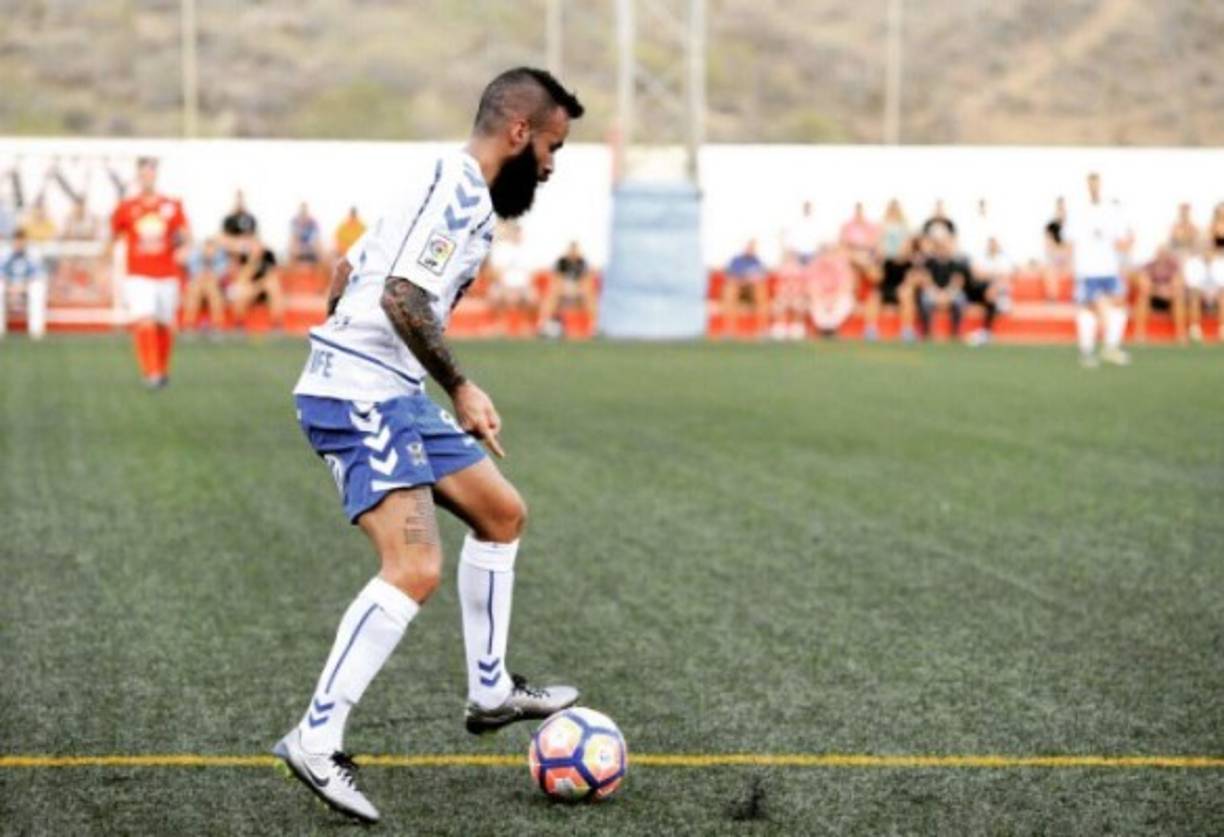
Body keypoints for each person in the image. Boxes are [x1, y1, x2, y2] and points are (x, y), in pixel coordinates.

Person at [277, 67, 584, 824]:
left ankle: (489, 688)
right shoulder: (458, 189)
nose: (549, 165)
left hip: (390, 389)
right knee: (413, 565)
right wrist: (463, 387)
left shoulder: (445, 178)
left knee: (501, 512)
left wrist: (361, 325)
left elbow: (354, 266)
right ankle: (316, 738)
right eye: (550, 147)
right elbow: (401, 295)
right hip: (360, 394)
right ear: (519, 133)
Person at [107, 157, 189, 388]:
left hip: (167, 274)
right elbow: (113, 233)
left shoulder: (171, 205)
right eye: (143, 174)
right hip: (139, 274)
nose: (147, 178)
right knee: (145, 321)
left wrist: (183, 247)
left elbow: (184, 233)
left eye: (151, 173)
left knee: (164, 324)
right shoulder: (127, 207)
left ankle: (162, 371)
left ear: (156, 175)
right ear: (138, 176)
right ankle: (150, 372)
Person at [1063, 172, 1132, 367]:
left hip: (1108, 268)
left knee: (1119, 306)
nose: (1094, 187)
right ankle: (1086, 351)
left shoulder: (1111, 209)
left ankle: (1111, 347)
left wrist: (1124, 260)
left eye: (1096, 183)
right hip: (1087, 269)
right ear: (1086, 185)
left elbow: (1122, 238)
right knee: (1089, 309)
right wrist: (1071, 266)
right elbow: (1069, 241)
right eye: (1090, 183)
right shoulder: (1077, 210)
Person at [864, 199, 917, 342]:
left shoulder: (906, 229)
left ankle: (907, 331)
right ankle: (870, 330)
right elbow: (875, 276)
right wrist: (879, 259)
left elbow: (910, 269)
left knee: (906, 295)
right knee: (873, 298)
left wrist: (902, 255)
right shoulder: (881, 227)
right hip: (886, 275)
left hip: (900, 277)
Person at [913, 227, 972, 339]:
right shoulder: (929, 262)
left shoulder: (956, 263)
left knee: (960, 300)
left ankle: (956, 331)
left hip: (950, 292)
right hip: (933, 292)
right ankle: (927, 332)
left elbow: (958, 282)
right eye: (940, 247)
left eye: (944, 246)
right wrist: (936, 294)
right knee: (924, 300)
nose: (942, 249)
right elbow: (926, 281)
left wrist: (947, 294)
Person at [537, 240, 597, 338]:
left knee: (589, 295)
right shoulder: (562, 262)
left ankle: (593, 327)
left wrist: (576, 290)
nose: (573, 252)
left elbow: (586, 280)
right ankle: (543, 324)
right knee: (552, 294)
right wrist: (566, 290)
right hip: (563, 291)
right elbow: (557, 280)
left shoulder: (582, 262)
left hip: (578, 292)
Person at [1184, 203, 1224, 343]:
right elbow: (1201, 249)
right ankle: (1195, 329)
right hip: (1206, 270)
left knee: (1222, 295)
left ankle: (1222, 328)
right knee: (1195, 293)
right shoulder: (1207, 231)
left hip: (1219, 270)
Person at [487, 220, 535, 334]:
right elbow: (495, 273)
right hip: (503, 285)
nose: (517, 235)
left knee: (533, 297)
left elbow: (530, 275)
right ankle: (500, 324)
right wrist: (507, 288)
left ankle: (526, 325)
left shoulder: (527, 250)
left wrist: (522, 288)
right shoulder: (501, 249)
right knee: (496, 295)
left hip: (522, 287)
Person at [0, 228, 48, 340]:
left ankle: (36, 331)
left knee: (37, 289)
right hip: (10, 286)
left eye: (22, 241)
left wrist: (23, 286)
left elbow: (37, 274)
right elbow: (1, 273)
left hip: (26, 287)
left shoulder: (32, 254)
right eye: (17, 241)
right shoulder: (5, 254)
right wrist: (10, 287)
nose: (19, 244)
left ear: (26, 241)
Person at [964, 236, 1012, 346]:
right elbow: (976, 275)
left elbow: (1004, 279)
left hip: (999, 294)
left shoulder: (1004, 260)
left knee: (992, 293)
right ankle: (985, 332)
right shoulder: (982, 258)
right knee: (987, 291)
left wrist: (990, 279)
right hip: (984, 291)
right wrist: (992, 277)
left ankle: (986, 331)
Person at [1133, 245, 1186, 343]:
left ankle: (1180, 334)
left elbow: (1178, 283)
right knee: (1143, 298)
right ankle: (1139, 333)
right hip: (1153, 296)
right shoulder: (1149, 266)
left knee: (1178, 298)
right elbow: (1143, 284)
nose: (1162, 255)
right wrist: (1158, 290)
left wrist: (1168, 290)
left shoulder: (1173, 266)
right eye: (1160, 253)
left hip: (1170, 296)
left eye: (1164, 253)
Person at [806, 243, 856, 338]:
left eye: (830, 252)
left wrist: (833, 299)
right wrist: (824, 299)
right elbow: (812, 287)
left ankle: (831, 329)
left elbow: (846, 286)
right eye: (825, 252)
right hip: (821, 297)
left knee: (845, 301)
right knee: (815, 304)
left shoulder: (842, 265)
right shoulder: (815, 265)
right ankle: (825, 330)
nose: (827, 255)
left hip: (838, 296)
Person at [182, 236, 229, 335]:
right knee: (196, 289)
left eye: (212, 249)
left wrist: (208, 277)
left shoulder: (221, 257)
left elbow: (219, 276)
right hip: (198, 285)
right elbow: (195, 274)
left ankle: (217, 325)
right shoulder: (195, 256)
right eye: (208, 248)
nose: (210, 251)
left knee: (212, 289)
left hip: (214, 286)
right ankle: (189, 325)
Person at [722, 238, 769, 336]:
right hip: (738, 290)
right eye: (749, 247)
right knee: (731, 289)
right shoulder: (736, 260)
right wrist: (743, 280)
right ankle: (729, 330)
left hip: (752, 292)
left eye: (752, 247)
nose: (750, 249)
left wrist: (750, 280)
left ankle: (762, 330)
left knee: (760, 289)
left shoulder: (757, 261)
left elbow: (761, 277)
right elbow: (730, 276)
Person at [1042, 197, 1069, 301]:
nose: (1061, 211)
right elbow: (1048, 245)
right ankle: (1052, 297)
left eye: (1063, 209)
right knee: (1049, 271)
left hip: (1069, 257)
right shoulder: (1050, 226)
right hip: (1056, 256)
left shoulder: (1074, 225)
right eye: (1059, 208)